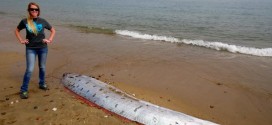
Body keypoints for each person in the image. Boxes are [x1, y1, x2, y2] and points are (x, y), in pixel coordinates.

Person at [15, 2, 56, 99]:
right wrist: (21, 40)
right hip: (30, 48)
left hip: (43, 48)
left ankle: (42, 83)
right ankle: (24, 90)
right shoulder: (25, 21)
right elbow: (16, 30)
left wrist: (49, 40)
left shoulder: (43, 21)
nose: (34, 11)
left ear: (38, 11)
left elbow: (53, 30)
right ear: (29, 11)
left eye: (36, 9)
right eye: (32, 9)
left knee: (42, 67)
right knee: (29, 69)